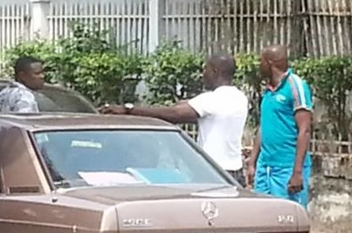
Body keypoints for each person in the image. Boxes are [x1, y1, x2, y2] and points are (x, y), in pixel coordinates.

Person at [100, 53, 249, 185]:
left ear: (215, 72)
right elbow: (190, 112)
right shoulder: (239, 98)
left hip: (213, 171)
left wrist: (129, 110)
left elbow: (174, 114)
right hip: (235, 172)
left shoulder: (212, 99)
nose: (203, 74)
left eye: (206, 70)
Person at [247, 45, 313, 208]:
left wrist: (297, 172)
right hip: (265, 167)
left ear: (270, 63)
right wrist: (252, 163)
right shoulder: (268, 91)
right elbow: (263, 127)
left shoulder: (296, 86)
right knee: (263, 217)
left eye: (261, 61)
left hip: (287, 168)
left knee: (287, 219)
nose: (259, 66)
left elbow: (304, 130)